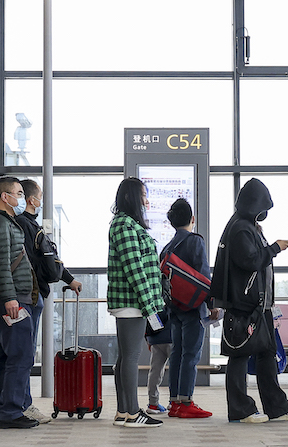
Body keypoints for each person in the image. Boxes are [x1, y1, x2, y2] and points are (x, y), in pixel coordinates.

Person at [216, 178, 288, 424]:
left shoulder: (246, 225)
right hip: (244, 305)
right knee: (240, 354)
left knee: (266, 353)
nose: (264, 214)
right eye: (263, 207)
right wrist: (275, 248)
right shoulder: (241, 228)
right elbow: (250, 261)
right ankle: (241, 409)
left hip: (258, 306)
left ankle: (277, 407)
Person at [15, 179, 81, 424]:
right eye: (39, 196)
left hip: (30, 295)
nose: (41, 201)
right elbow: (44, 261)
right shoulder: (25, 225)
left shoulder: (28, 225)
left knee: (22, 354)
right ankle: (22, 405)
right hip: (29, 296)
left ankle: (19, 404)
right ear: (32, 200)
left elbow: (48, 258)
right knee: (24, 354)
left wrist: (70, 279)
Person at [0, 177, 40, 429]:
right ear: (5, 197)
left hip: (9, 299)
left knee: (3, 357)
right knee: (21, 356)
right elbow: (2, 264)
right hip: (11, 301)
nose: (22, 198)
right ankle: (11, 412)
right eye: (18, 193)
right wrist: (10, 298)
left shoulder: (4, 223)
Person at [107, 177, 165, 428]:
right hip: (133, 301)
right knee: (131, 357)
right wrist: (149, 305)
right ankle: (131, 412)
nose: (146, 199)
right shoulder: (125, 226)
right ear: (132, 197)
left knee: (125, 358)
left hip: (132, 301)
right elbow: (135, 269)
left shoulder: (126, 224)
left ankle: (124, 411)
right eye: (143, 194)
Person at [160, 198, 216, 419]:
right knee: (191, 354)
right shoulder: (196, 242)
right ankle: (186, 401)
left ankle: (174, 402)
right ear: (192, 219)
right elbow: (203, 276)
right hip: (193, 307)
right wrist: (212, 304)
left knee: (177, 354)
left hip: (174, 308)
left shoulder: (166, 248)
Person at [144, 312, 172, 416]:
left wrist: (148, 340)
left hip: (155, 338)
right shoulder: (170, 296)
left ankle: (153, 404)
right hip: (172, 337)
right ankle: (174, 401)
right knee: (176, 371)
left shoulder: (153, 296)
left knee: (155, 372)